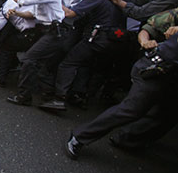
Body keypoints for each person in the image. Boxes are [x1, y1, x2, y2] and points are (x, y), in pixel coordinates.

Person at [66, 30, 178, 159]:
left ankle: (127, 139)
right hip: (155, 70)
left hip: (170, 77)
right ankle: (80, 136)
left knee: (168, 113)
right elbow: (150, 26)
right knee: (131, 109)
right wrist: (145, 41)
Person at [38, 0, 131, 112]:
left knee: (68, 63)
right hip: (117, 39)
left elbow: (70, 13)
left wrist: (54, 1)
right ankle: (81, 96)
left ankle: (59, 99)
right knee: (88, 66)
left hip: (97, 37)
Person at [3, 0, 65, 105]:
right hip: (44, 31)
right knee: (40, 63)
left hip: (53, 33)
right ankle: (49, 96)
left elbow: (25, 0)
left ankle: (25, 96)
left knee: (29, 60)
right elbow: (33, 13)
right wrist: (17, 13)